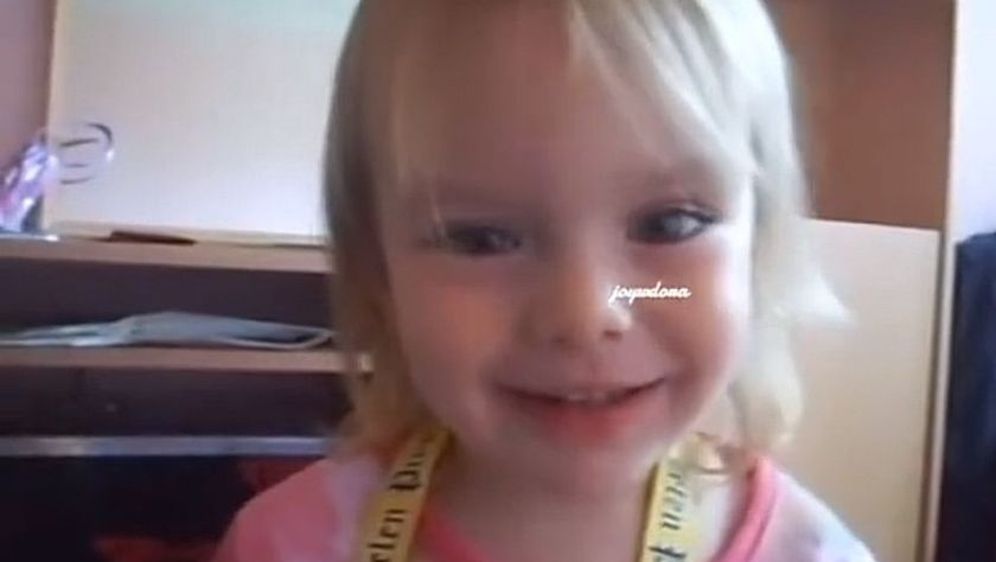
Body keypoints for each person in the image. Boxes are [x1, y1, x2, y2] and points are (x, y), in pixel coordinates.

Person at [214, 1, 876, 560]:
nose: (586, 313)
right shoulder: (282, 545)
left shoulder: (813, 552)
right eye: (481, 239)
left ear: (758, 250)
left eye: (669, 223)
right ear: (378, 272)